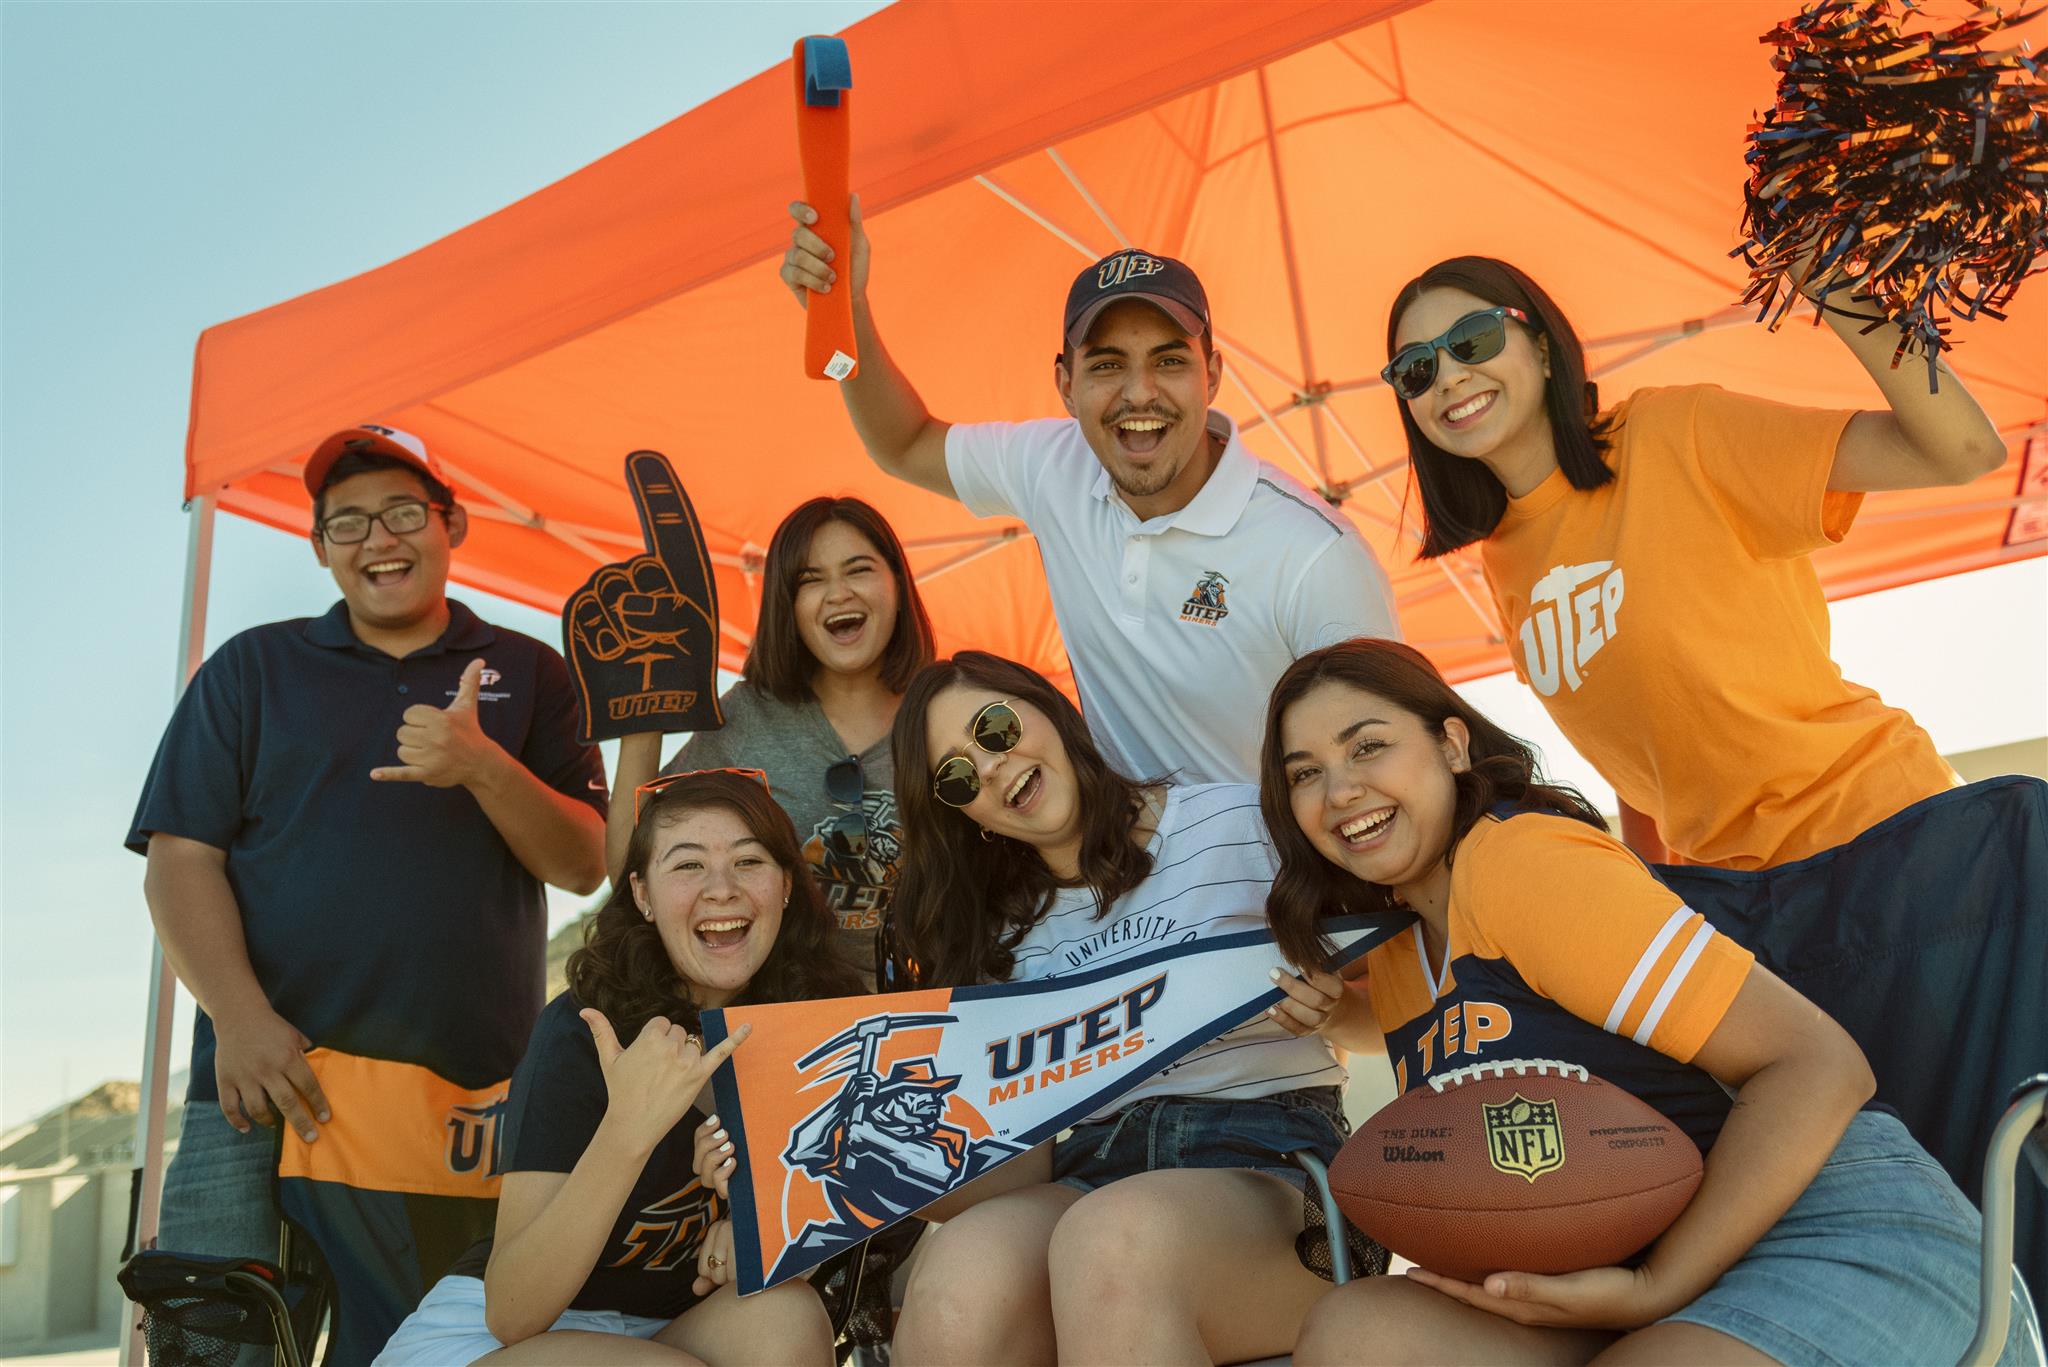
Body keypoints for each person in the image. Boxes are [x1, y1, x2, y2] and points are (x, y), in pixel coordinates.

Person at [1381, 257, 2048, 1283]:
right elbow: (1645, 766)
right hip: (1745, 913)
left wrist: (1850, 299)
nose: (1445, 377)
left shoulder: (1672, 432)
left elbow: (1958, 448)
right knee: (1866, 1218)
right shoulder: (1502, 558)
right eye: (1413, 368)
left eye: (1470, 340)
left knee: (1986, 1190)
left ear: (1539, 342)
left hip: (1885, 840)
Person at [1259, 638, 2041, 1367]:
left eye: (1368, 746)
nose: (1341, 789)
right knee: (1359, 1333)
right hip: (1630, 1273)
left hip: (1828, 1230)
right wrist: (1336, 1015)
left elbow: (1820, 1065)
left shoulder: (1523, 864)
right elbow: (1480, 1026)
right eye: (1304, 772)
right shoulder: (1401, 945)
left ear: (1452, 745)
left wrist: (1657, 1286)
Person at [128, 425, 609, 1326]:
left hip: (466, 1109)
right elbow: (179, 859)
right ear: (318, 548)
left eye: (401, 512)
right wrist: (238, 1016)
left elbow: (584, 861)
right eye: (347, 523)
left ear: (451, 524)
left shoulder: (529, 670)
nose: (377, 539)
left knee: (449, 1345)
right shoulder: (251, 669)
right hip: (267, 1092)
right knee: (219, 1341)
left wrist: (480, 764)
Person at [778, 199, 1399, 784]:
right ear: (1065, 385)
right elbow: (904, 442)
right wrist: (845, 308)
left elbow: (1386, 760)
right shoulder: (1054, 465)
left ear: (1212, 374)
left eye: (1169, 361)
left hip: (1282, 892)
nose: (1139, 393)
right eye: (1106, 365)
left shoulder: (1315, 553)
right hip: (1124, 879)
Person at [867, 650, 1354, 1365]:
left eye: (994, 729)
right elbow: (1025, 1162)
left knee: (1111, 1240)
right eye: (959, 775)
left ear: (1049, 709)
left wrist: (1339, 1011)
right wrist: (884, 1169)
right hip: (1086, 1169)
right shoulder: (1000, 941)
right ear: (965, 814)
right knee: (955, 1286)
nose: (993, 766)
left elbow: (1405, 981)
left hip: (1270, 1157)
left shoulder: (1241, 820)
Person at [377, 769, 860, 1365]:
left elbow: (829, 1233)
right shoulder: (587, 1029)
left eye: (749, 861)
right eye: (687, 865)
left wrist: (758, 1223)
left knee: (786, 1319)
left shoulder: (826, 1037)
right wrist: (628, 1130)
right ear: (642, 895)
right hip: (499, 1337)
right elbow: (513, 1312)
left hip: (673, 1329)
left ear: (786, 884)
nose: (721, 889)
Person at [609, 496, 935, 987]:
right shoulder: (747, 717)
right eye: (810, 580)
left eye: (859, 570)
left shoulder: (946, 713)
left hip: (940, 1008)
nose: (837, 593)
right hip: (786, 1018)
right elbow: (630, 868)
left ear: (897, 583)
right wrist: (644, 720)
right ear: (787, 603)